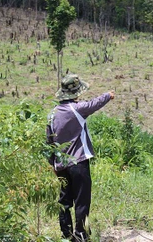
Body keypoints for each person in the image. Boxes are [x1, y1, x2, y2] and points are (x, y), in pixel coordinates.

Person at [47, 74, 114, 242]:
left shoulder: (52, 114)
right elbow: (94, 104)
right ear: (76, 93)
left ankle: (66, 235)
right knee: (82, 200)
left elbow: (48, 142)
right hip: (79, 163)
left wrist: (53, 165)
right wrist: (108, 95)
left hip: (61, 165)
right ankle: (81, 235)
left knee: (64, 201)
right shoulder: (77, 109)